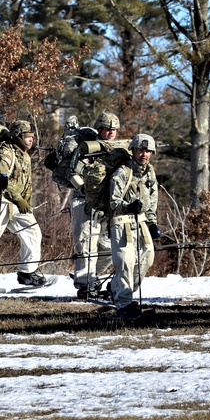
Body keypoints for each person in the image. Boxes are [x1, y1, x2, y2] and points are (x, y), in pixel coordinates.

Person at [0, 119, 49, 287]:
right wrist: (18, 199)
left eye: (32, 136)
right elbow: (1, 179)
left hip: (17, 204)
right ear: (17, 136)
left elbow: (25, 184)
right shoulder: (6, 153)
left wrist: (24, 201)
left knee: (33, 233)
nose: (31, 140)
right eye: (27, 136)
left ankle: (27, 273)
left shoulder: (23, 155)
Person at [108, 133, 159, 320]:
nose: (143, 154)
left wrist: (152, 223)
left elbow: (152, 199)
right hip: (122, 223)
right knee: (126, 262)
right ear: (134, 151)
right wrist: (127, 206)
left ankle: (118, 290)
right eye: (140, 150)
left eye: (147, 151)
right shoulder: (123, 172)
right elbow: (113, 201)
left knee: (147, 258)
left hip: (142, 222)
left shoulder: (150, 172)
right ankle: (123, 305)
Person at [70, 112, 118, 299]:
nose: (111, 132)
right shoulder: (87, 148)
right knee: (85, 243)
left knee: (108, 246)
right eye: (107, 129)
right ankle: (85, 285)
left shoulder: (119, 149)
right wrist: (84, 189)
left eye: (114, 129)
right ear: (100, 129)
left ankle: (92, 276)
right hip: (84, 200)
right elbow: (73, 172)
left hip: (108, 203)